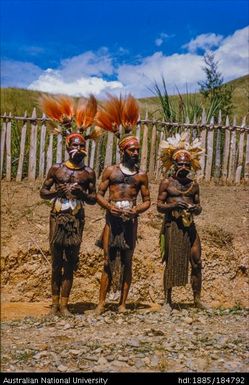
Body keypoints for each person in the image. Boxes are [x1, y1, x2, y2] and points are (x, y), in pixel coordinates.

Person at [95, 134, 151, 314]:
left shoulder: (141, 175)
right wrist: (109, 207)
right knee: (107, 260)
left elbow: (147, 201)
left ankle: (122, 304)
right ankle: (101, 304)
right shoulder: (110, 171)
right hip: (112, 221)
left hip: (130, 221)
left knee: (127, 261)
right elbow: (98, 195)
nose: (135, 153)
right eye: (131, 150)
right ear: (122, 151)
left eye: (137, 150)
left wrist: (136, 210)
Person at [157, 133, 205, 309]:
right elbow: (159, 206)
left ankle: (197, 299)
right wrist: (174, 205)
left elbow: (199, 207)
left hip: (190, 226)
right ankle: (167, 301)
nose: (184, 166)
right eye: (180, 163)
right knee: (171, 262)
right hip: (173, 226)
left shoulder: (194, 185)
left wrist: (195, 209)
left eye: (187, 164)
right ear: (174, 164)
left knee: (197, 261)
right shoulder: (167, 183)